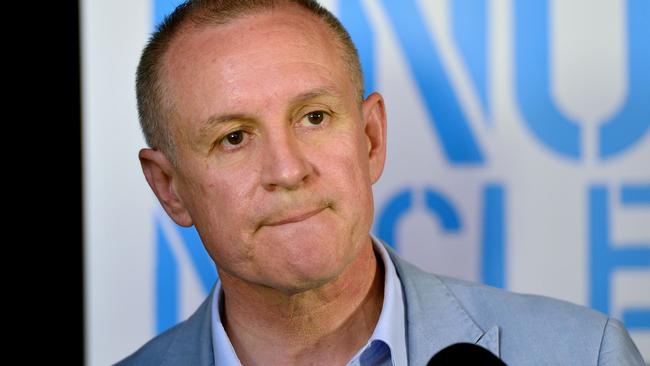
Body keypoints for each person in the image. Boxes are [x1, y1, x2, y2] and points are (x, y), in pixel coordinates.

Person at [117, 0, 644, 365]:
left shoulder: (583, 353)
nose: (287, 170)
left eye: (315, 117)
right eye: (234, 138)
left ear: (370, 139)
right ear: (169, 187)